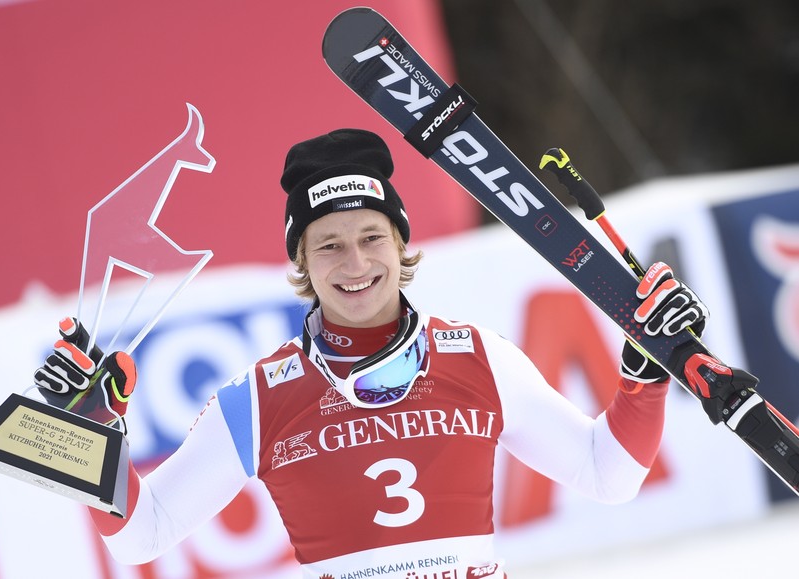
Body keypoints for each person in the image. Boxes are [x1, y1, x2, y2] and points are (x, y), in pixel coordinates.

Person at [35, 128, 710, 578]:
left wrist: (642, 374)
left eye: (371, 236)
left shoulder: (478, 356)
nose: (354, 262)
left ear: (401, 242)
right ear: (300, 258)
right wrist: (91, 433)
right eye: (327, 243)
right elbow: (140, 534)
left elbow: (608, 475)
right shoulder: (259, 396)